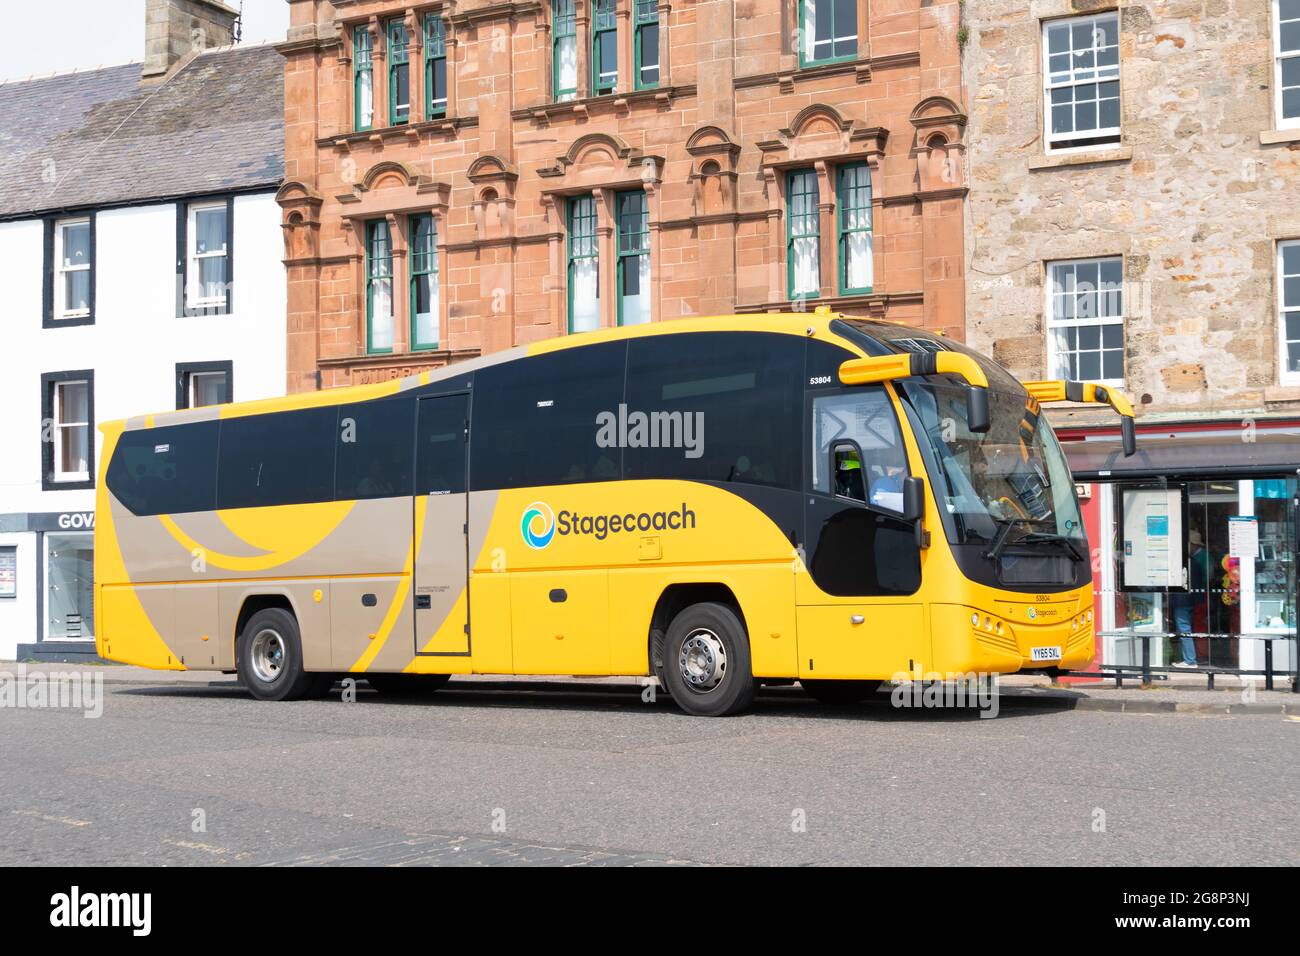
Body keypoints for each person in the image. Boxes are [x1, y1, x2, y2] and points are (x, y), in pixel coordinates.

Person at [1171, 529, 1209, 668]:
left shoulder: (1184, 562)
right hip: (1193, 600)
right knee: (1188, 627)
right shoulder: (1194, 562)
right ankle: (1190, 658)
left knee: (1184, 628)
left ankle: (1189, 660)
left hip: (1183, 600)